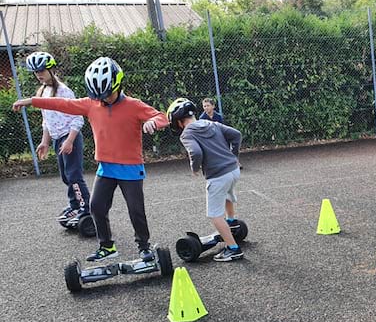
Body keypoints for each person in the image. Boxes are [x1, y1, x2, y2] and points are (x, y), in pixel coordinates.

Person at [13, 57, 169, 262]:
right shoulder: (91, 104)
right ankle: (106, 246)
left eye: (107, 94)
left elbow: (162, 116)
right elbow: (63, 104)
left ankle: (144, 246)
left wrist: (152, 122)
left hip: (130, 168)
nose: (104, 99)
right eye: (99, 95)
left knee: (136, 210)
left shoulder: (133, 105)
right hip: (106, 168)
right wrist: (32, 101)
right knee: (96, 206)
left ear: (118, 84)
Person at [167, 97, 244, 262]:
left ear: (179, 122)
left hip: (217, 176)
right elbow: (236, 135)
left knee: (215, 215)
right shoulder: (212, 124)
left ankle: (233, 249)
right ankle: (231, 222)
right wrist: (234, 156)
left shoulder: (187, 133)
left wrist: (195, 168)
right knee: (228, 195)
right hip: (233, 170)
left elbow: (195, 153)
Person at [26, 51, 91, 225]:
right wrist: (45, 141)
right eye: (36, 72)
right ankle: (75, 205)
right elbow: (47, 121)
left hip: (70, 137)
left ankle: (86, 208)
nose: (39, 74)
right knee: (66, 176)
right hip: (57, 139)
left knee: (74, 175)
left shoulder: (63, 91)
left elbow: (78, 118)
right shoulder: (42, 91)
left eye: (42, 70)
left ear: (51, 69)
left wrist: (69, 140)